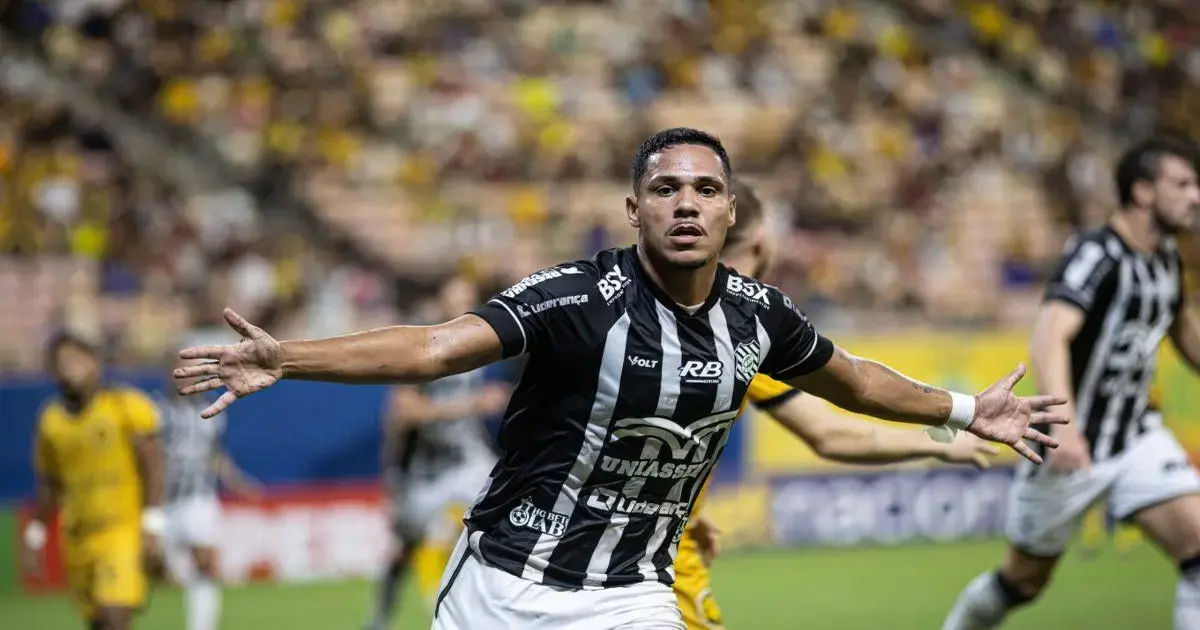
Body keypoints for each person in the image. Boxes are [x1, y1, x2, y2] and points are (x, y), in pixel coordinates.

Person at [175, 127, 1066, 630]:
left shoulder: (758, 317)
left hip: (632, 596)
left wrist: (960, 409)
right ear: (633, 208)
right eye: (667, 189)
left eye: (706, 189)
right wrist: (287, 357)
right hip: (502, 583)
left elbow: (854, 383)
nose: (687, 203)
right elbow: (436, 348)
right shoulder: (574, 299)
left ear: (731, 210)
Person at [673, 179, 998, 630]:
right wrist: (942, 439)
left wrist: (682, 507)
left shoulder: (638, 306)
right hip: (650, 559)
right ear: (762, 242)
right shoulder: (743, 326)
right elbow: (837, 423)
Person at [942, 137, 1200, 630]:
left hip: (1135, 437)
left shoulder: (1168, 259)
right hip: (1071, 439)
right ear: (1143, 192)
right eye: (1183, 184)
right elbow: (1049, 333)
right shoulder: (1095, 253)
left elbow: (1183, 330)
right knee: (1022, 582)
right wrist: (1070, 426)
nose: (1195, 196)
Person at [365, 276, 511, 630]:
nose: (464, 310)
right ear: (440, 304)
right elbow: (404, 412)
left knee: (508, 505)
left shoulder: (476, 349)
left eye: (469, 300)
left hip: (465, 460)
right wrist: (472, 404)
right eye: (455, 300)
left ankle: (495, 603)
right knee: (406, 547)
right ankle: (382, 618)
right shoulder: (423, 349)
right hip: (423, 467)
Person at [23, 331, 166, 630]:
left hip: (120, 532)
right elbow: (49, 484)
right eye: (60, 363)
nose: (68, 368)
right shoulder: (50, 421)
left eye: (75, 360)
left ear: (94, 364)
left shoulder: (125, 406)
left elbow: (153, 466)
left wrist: (153, 526)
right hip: (76, 537)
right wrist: (34, 536)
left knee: (115, 618)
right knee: (98, 623)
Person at [158, 347, 260, 630]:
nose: (186, 375)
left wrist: (236, 480)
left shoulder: (213, 410)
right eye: (180, 368)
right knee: (152, 571)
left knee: (205, 564)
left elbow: (215, 455)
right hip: (161, 503)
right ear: (168, 372)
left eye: (192, 369)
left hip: (198, 499)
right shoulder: (155, 411)